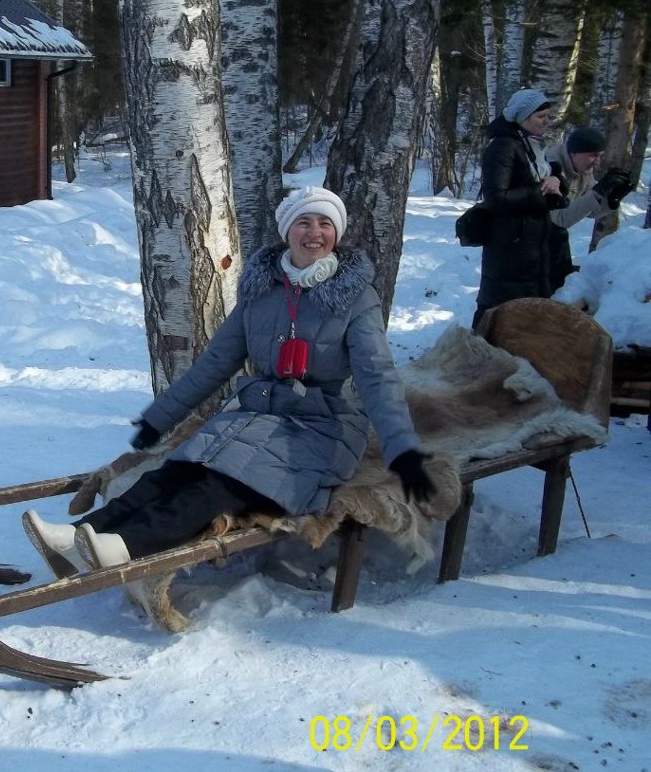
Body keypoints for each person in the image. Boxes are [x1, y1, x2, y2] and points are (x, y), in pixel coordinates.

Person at [22, 186, 436, 575]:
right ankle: (77, 537)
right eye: (304, 223)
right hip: (259, 415)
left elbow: (378, 377)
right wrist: (158, 418)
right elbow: (217, 361)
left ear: (336, 233)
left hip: (323, 427)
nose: (315, 233)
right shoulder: (262, 290)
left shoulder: (356, 298)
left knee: (219, 486)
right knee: (175, 471)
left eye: (325, 224)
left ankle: (123, 545)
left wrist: (403, 453)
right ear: (287, 231)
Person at [472, 88, 567, 330]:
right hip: (509, 248)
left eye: (548, 116)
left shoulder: (531, 146)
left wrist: (555, 181)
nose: (546, 121)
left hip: (530, 248)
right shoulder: (503, 147)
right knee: (498, 316)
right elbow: (496, 198)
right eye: (540, 116)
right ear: (522, 117)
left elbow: (538, 181)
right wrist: (541, 191)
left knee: (526, 321)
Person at [544, 126, 635, 291]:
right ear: (574, 152)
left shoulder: (583, 169)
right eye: (593, 155)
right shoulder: (550, 167)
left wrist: (612, 199)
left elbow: (592, 211)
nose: (597, 161)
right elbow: (559, 220)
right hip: (528, 244)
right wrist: (598, 192)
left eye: (600, 156)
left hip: (552, 240)